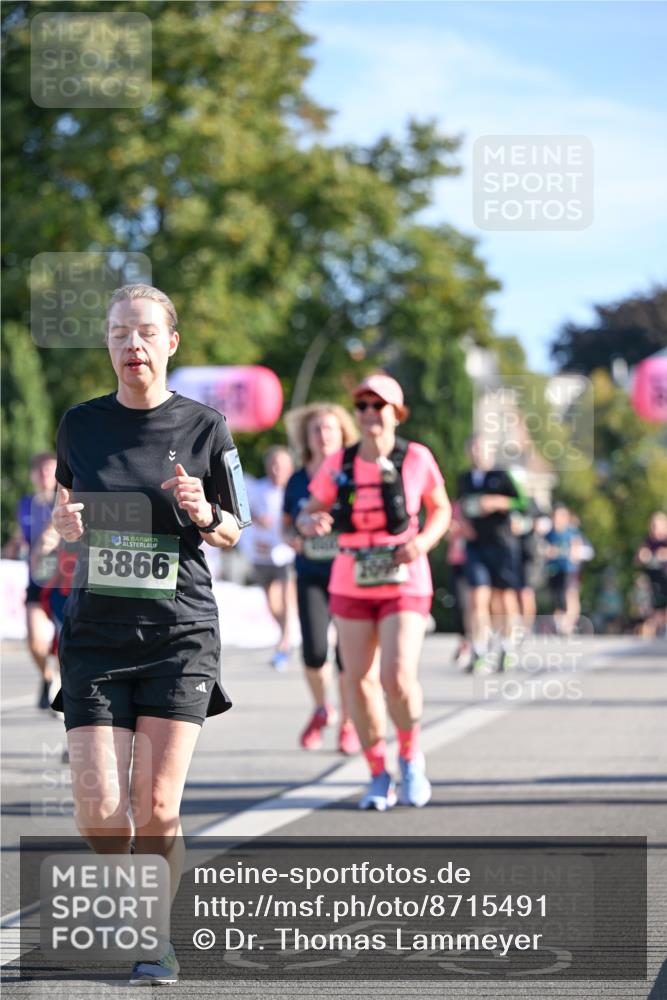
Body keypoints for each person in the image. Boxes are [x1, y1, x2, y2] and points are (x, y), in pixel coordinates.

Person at [50, 284, 244, 985]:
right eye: (118, 333)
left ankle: (154, 936)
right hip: (97, 633)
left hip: (177, 632)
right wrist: (64, 525)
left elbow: (232, 529)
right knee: (100, 811)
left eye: (144, 332)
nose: (131, 344)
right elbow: (65, 505)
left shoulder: (206, 427)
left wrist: (202, 511)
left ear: (170, 343)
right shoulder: (79, 424)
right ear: (107, 344)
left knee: (156, 805)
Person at [297, 374, 451, 810]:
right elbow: (309, 511)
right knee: (358, 684)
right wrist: (312, 523)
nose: (368, 414)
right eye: (361, 406)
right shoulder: (339, 463)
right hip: (351, 579)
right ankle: (377, 771)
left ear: (396, 414)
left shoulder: (416, 458)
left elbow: (441, 508)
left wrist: (421, 543)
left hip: (405, 578)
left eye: (377, 406)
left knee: (397, 678)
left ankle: (410, 757)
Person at [283, 403, 362, 754]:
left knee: (346, 655)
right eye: (317, 429)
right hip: (311, 573)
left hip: (348, 573)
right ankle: (321, 708)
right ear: (307, 438)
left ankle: (347, 723)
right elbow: (286, 524)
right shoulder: (298, 479)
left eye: (330, 428)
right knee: (314, 652)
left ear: (343, 434)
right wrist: (295, 536)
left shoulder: (353, 473)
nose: (323, 435)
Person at [457, 436, 528, 672]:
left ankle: (506, 645)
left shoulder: (502, 476)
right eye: (474, 449)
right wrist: (462, 524)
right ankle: (479, 648)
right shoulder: (465, 479)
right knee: (477, 598)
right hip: (476, 545)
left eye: (482, 449)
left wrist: (498, 502)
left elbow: (523, 502)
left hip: (502, 545)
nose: (478, 454)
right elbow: (459, 507)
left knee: (503, 599)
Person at [3, 453, 58, 708]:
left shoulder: (68, 499)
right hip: (37, 578)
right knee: (34, 640)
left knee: (66, 641)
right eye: (42, 470)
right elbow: (20, 537)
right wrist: (10, 550)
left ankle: (66, 686)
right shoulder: (26, 503)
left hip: (65, 579)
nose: (46, 475)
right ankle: (47, 677)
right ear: (33, 475)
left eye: (51, 470)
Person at [245, 447, 296, 670]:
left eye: (282, 465)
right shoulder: (258, 489)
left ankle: (284, 644)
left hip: (287, 552)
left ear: (289, 468)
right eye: (274, 465)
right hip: (263, 554)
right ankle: (285, 634)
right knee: (273, 604)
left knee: (287, 598)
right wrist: (257, 519)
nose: (277, 470)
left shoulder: (293, 489)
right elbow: (244, 512)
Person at [544, 503, 581, 635]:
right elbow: (543, 549)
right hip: (554, 570)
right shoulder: (549, 534)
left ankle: (569, 624)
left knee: (569, 595)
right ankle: (560, 624)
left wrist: (572, 552)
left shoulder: (571, 533)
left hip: (569, 569)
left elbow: (578, 549)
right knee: (556, 596)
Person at [446, 502, 473, 671]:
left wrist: (464, 528)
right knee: (459, 605)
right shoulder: (455, 507)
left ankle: (476, 644)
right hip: (457, 561)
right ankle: (464, 644)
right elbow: (447, 533)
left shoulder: (477, 504)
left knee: (474, 605)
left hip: (475, 561)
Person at [635, 511, 667, 636]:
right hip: (653, 577)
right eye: (652, 525)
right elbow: (638, 558)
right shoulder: (648, 540)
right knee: (655, 604)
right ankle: (658, 627)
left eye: (656, 525)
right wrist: (642, 555)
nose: (654, 529)